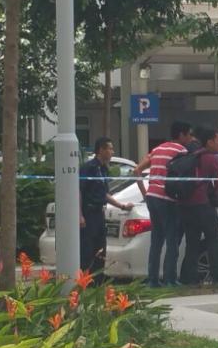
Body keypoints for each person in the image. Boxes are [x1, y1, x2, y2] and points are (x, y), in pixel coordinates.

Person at [133, 121, 195, 287]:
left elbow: (137, 170)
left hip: (152, 196)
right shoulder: (181, 150)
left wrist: (145, 193)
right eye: (189, 134)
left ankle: (153, 279)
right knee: (172, 239)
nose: (190, 138)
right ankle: (170, 279)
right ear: (181, 135)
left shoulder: (158, 149)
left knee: (156, 240)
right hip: (167, 199)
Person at [180, 127, 218, 286]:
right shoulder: (213, 158)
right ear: (209, 142)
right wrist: (216, 199)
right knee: (213, 241)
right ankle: (217, 277)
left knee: (192, 243)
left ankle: (189, 279)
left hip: (187, 206)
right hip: (204, 205)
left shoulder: (191, 156)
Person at [79, 138, 135, 278]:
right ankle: (85, 280)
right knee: (88, 249)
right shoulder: (89, 168)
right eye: (110, 149)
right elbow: (79, 191)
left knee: (100, 248)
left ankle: (98, 279)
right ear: (101, 150)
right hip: (88, 212)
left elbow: (104, 194)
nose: (112, 152)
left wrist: (122, 206)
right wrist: (79, 215)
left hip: (99, 212)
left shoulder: (103, 169)